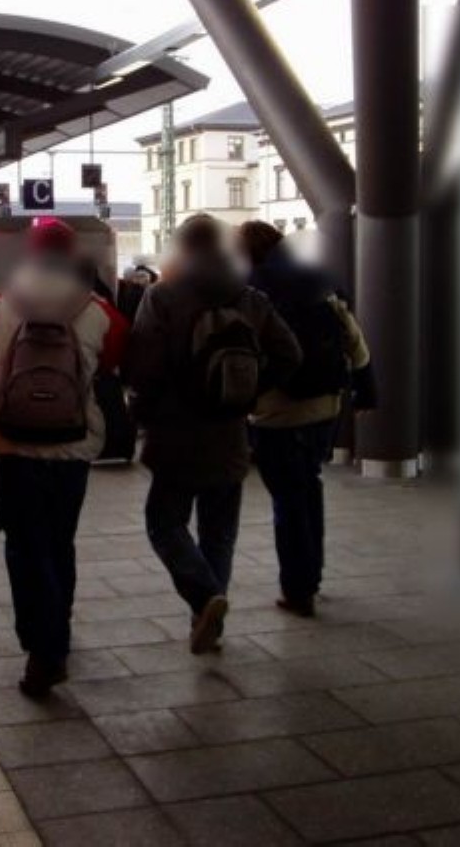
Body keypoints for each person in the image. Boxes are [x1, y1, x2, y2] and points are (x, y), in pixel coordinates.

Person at [0, 220, 128, 697]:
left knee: (25, 548)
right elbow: (114, 362)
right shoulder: (97, 311)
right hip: (74, 448)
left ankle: (43, 649)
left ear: (29, 255)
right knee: (59, 542)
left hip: (15, 449)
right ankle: (58, 629)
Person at [125, 214, 301, 654]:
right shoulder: (250, 298)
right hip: (230, 433)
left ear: (183, 248)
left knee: (164, 524)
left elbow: (143, 368)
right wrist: (248, 393)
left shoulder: (162, 297)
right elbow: (290, 354)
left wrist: (145, 417)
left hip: (175, 434)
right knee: (219, 534)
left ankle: (205, 599)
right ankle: (207, 623)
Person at [238, 220, 376, 618]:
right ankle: (311, 576)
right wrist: (367, 389)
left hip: (277, 410)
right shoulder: (320, 280)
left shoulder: (251, 290)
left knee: (288, 500)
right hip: (325, 405)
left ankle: (298, 589)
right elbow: (355, 340)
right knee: (309, 489)